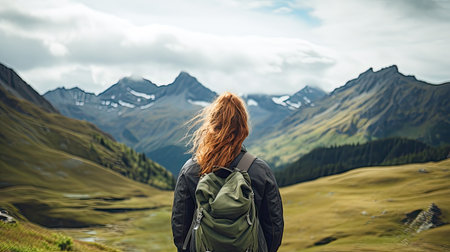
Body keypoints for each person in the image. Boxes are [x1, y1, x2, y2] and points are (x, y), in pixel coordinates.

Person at [171, 92, 284, 252]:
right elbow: (274, 228)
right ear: (243, 128)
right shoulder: (260, 170)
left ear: (211, 126)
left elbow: (180, 230)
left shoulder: (190, 170)